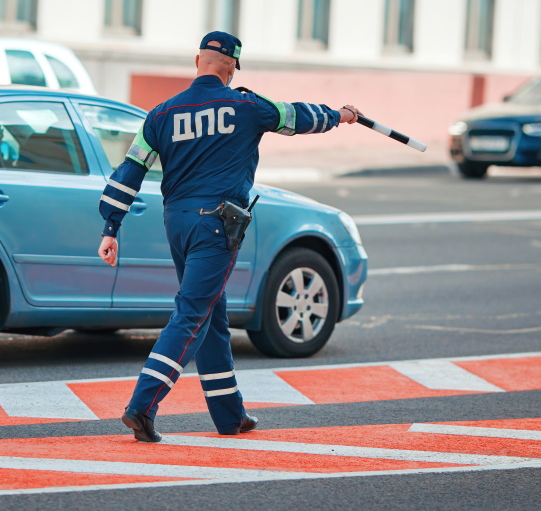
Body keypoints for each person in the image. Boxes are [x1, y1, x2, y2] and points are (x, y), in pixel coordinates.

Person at [97, 31, 360, 443]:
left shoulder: (161, 114)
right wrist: (340, 116)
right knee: (191, 315)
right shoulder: (246, 105)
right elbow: (298, 117)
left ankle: (229, 415)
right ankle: (141, 406)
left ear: (197, 60)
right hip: (216, 225)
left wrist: (111, 225)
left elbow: (129, 170)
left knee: (211, 315)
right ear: (233, 65)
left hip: (177, 224)